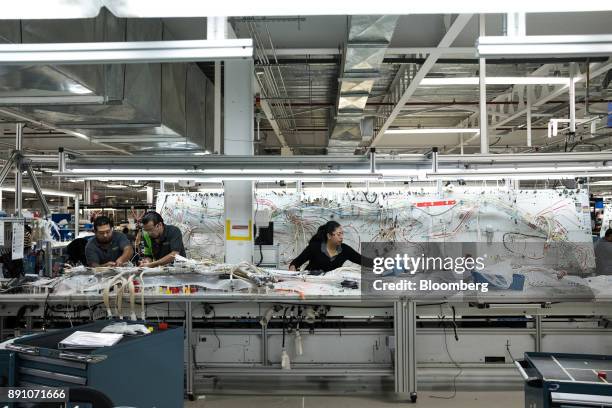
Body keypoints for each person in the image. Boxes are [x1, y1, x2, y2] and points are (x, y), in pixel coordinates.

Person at [289, 220, 371, 274]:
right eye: (339, 234)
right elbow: (296, 262)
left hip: (331, 285)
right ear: (329, 236)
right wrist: (292, 268)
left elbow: (363, 260)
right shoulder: (314, 247)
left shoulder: (344, 250)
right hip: (311, 283)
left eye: (342, 234)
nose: (342, 237)